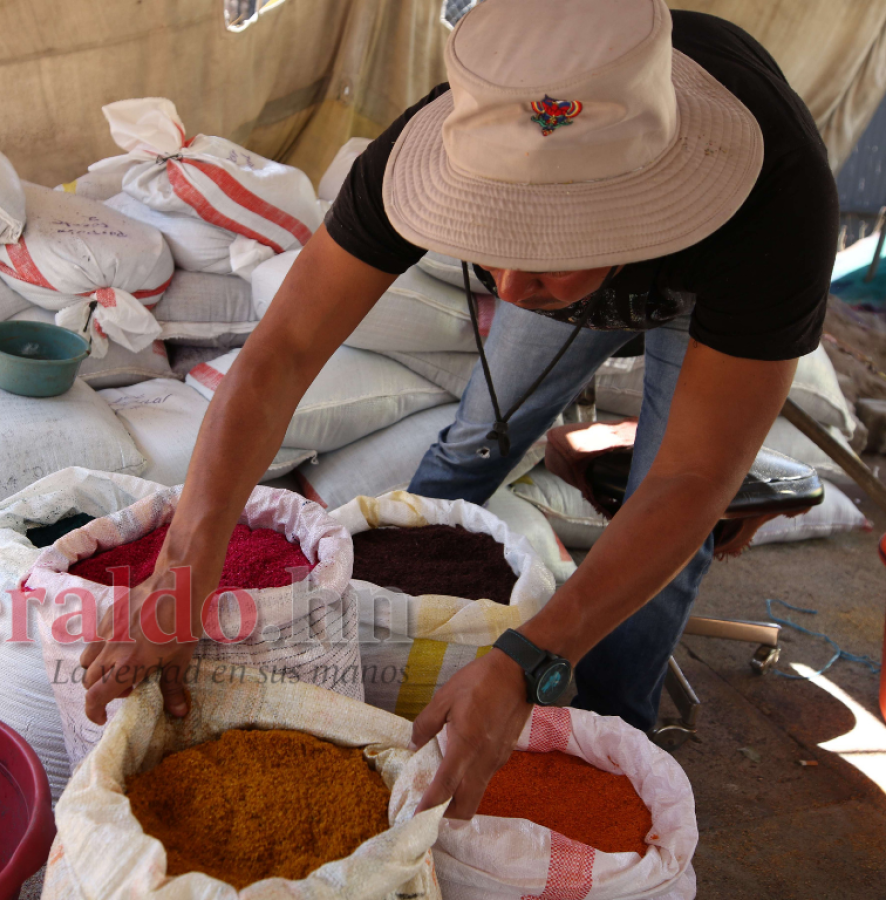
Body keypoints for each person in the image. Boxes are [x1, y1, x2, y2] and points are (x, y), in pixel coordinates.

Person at [79, 0, 838, 819]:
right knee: (477, 439)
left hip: (713, 270)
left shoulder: (775, 208)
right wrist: (183, 570)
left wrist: (532, 660)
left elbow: (691, 476)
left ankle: (602, 738)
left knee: (663, 543)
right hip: (615, 242)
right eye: (488, 243)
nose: (509, 292)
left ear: (639, 209)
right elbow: (281, 354)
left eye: (546, 254)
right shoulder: (442, 141)